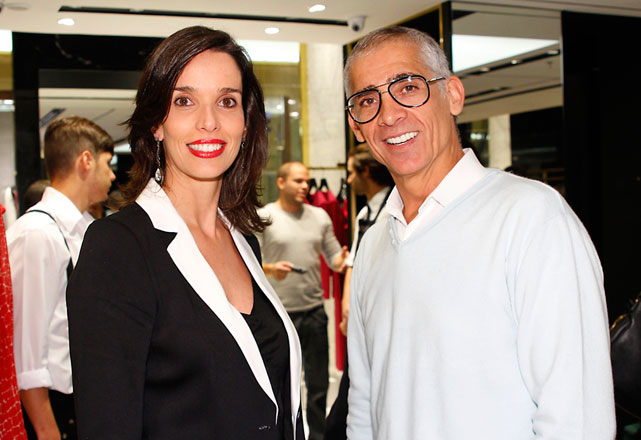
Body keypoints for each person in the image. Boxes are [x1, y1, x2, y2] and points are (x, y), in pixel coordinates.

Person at [343, 26, 615, 439]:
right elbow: (365, 406)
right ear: (356, 126)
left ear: (453, 94)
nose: (389, 114)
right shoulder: (374, 243)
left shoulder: (531, 217)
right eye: (368, 100)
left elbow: (577, 419)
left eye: (408, 87)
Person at [66, 26, 304, 439]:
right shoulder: (117, 248)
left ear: (245, 122)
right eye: (184, 101)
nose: (209, 122)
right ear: (156, 123)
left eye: (227, 101)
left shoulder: (242, 241)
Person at [7, 116, 115, 440]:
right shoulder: (37, 234)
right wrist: (47, 431)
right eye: (108, 164)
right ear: (86, 161)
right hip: (53, 412)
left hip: (84, 402)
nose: (112, 175)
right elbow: (26, 353)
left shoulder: (84, 230)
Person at [258, 161, 348, 440]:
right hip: (278, 314)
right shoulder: (264, 217)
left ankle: (317, 436)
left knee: (318, 384)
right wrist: (271, 269)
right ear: (281, 182)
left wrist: (346, 259)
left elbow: (334, 258)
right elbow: (248, 264)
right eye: (298, 181)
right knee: (280, 384)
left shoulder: (319, 216)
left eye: (307, 181)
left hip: (314, 312)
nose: (305, 186)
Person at [324, 144, 392, 440]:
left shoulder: (393, 210)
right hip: (364, 314)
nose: (349, 181)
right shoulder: (365, 212)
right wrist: (347, 306)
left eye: (352, 173)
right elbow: (354, 261)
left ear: (367, 172)